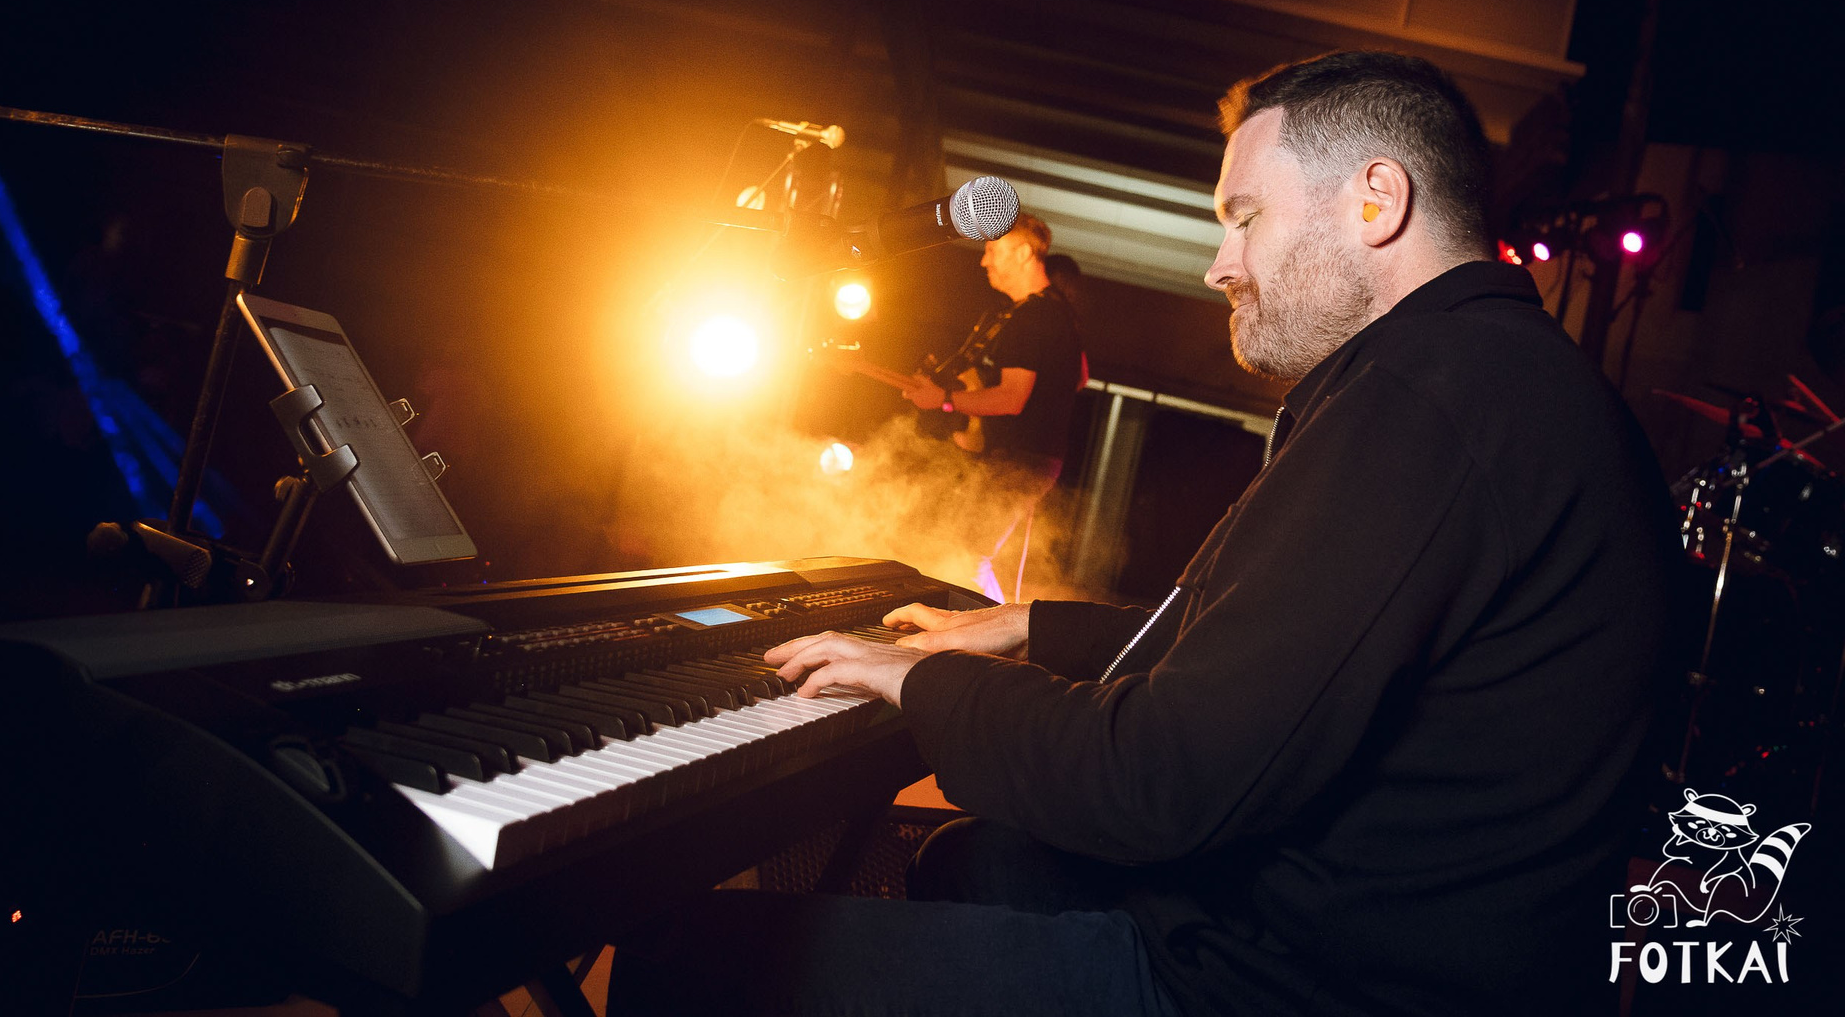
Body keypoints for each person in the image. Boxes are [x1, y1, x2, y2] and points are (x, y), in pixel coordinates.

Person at [609, 51, 1675, 1015]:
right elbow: (1264, 651)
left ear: (1377, 199)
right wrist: (1035, 627)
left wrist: (922, 682)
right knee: (973, 859)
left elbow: (1158, 782)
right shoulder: (1494, 376)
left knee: (693, 957)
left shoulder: (1429, 399)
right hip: (1345, 930)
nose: (1220, 263)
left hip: (1286, 982)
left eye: (1243, 216)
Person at [902, 213, 1084, 602]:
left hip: (1020, 459)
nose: (984, 261)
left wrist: (943, 399)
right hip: (1022, 456)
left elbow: (1011, 398)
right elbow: (1080, 376)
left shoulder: (1034, 317)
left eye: (992, 250)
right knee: (965, 553)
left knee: (966, 556)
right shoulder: (1048, 312)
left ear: (1023, 253)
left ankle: (1001, 632)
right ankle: (996, 628)